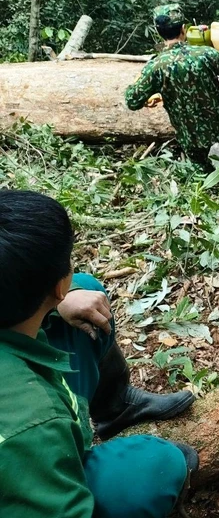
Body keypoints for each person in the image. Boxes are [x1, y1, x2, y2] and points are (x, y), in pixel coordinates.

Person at [0, 189, 198, 517]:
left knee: (87, 291)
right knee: (157, 466)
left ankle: (115, 407)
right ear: (57, 284)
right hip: (31, 463)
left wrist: (61, 301)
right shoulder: (35, 423)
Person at [125, 4, 219, 189]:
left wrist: (133, 86)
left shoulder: (156, 66)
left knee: (200, 166)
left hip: (189, 132)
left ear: (159, 33)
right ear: (184, 29)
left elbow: (132, 101)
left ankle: (217, 192)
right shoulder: (205, 54)